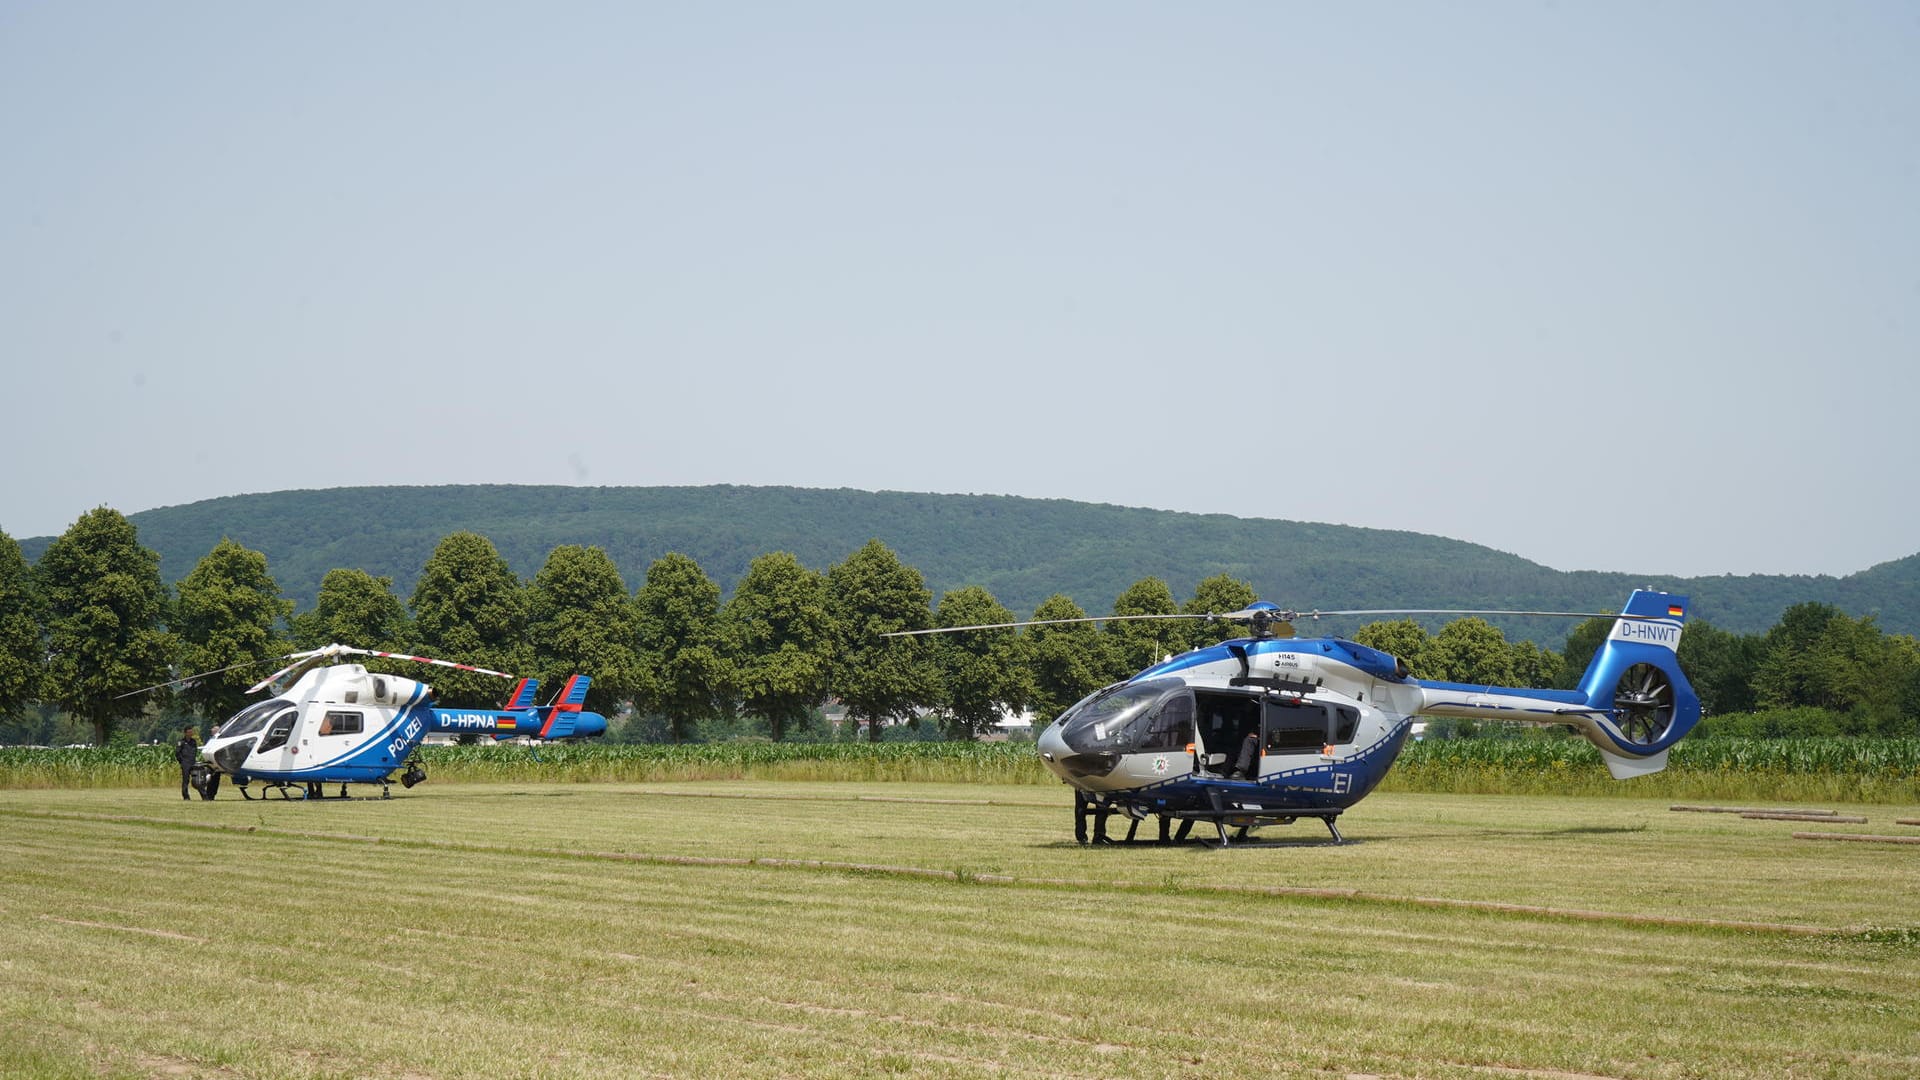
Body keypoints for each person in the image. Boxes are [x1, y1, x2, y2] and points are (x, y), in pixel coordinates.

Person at [174, 726, 199, 801]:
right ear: (185, 733)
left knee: (197, 779)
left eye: (191, 732)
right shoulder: (181, 742)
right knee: (186, 780)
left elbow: (195, 751)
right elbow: (177, 753)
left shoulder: (193, 742)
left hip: (193, 762)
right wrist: (182, 761)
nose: (191, 733)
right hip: (185, 764)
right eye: (189, 732)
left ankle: (204, 796)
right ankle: (186, 796)